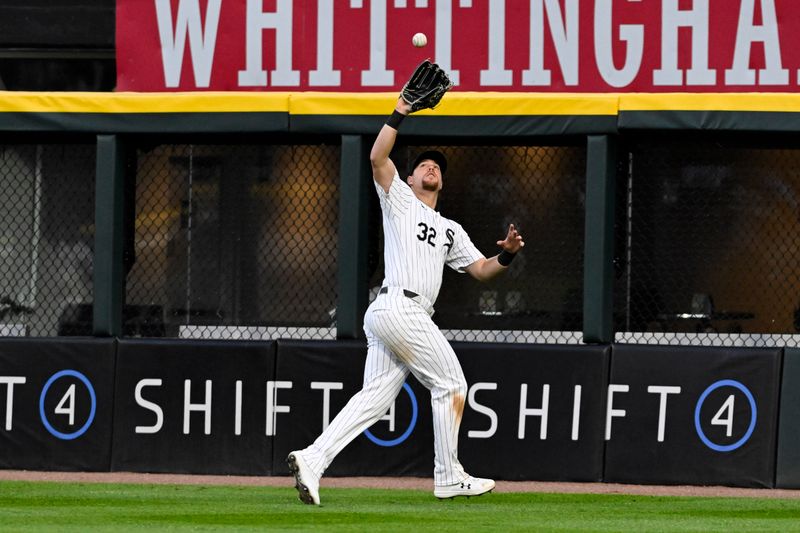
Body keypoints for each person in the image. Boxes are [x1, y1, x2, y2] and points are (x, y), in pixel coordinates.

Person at [288, 95, 524, 505]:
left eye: (438, 167)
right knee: (450, 383)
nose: (432, 167)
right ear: (410, 179)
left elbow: (483, 270)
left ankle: (313, 457)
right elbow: (379, 156)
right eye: (423, 165)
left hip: (392, 314)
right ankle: (449, 476)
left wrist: (507, 254)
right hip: (400, 305)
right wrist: (401, 110)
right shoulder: (398, 199)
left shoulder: (450, 228)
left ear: (442, 184)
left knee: (375, 399)